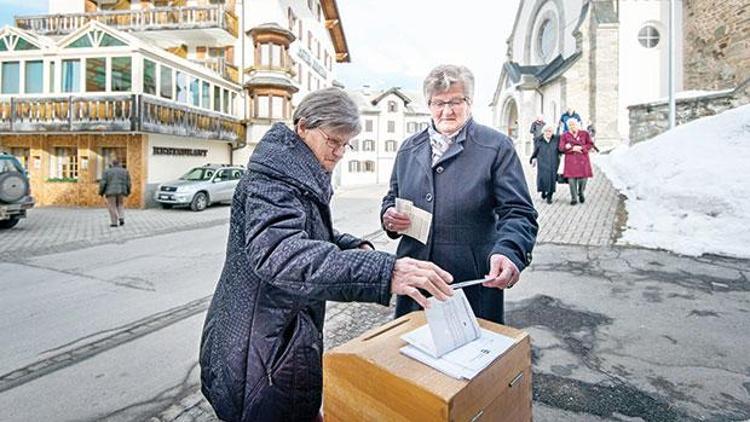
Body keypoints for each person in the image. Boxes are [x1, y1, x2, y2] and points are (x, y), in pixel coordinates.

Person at [199, 88, 454, 422]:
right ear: (303, 126)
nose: (339, 152)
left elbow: (306, 233)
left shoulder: (293, 171)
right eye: (333, 141)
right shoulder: (274, 180)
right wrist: (383, 271)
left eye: (346, 144)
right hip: (258, 353)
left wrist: (351, 246)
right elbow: (279, 253)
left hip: (273, 342)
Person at [381, 64, 538, 325]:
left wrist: (509, 251)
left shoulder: (496, 146)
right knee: (411, 359)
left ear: (470, 102)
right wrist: (388, 216)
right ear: (428, 105)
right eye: (438, 103)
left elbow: (518, 212)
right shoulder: (409, 148)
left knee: (470, 360)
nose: (447, 110)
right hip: (416, 278)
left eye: (456, 101)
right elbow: (392, 196)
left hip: (470, 281)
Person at [558, 118, 594, 205]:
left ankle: (581, 192)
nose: (572, 126)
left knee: (583, 179)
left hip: (583, 159)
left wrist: (582, 148)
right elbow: (561, 147)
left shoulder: (584, 133)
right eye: (570, 125)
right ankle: (574, 198)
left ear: (577, 125)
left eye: (573, 124)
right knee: (571, 180)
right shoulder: (564, 135)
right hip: (571, 160)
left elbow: (590, 144)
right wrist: (571, 148)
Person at [530, 124, 560, 204]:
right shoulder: (538, 140)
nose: (548, 133)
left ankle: (549, 196)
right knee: (543, 178)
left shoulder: (556, 139)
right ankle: (543, 191)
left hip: (553, 162)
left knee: (552, 179)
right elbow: (535, 151)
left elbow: (561, 149)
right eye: (547, 131)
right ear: (543, 132)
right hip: (542, 162)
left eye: (550, 131)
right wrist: (533, 158)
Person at [98, 159, 131, 227]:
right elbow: (128, 183)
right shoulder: (125, 171)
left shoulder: (107, 171)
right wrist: (128, 191)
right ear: (119, 164)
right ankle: (121, 217)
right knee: (120, 204)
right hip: (121, 191)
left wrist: (101, 192)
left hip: (110, 192)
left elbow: (103, 183)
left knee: (112, 206)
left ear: (112, 164)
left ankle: (114, 222)